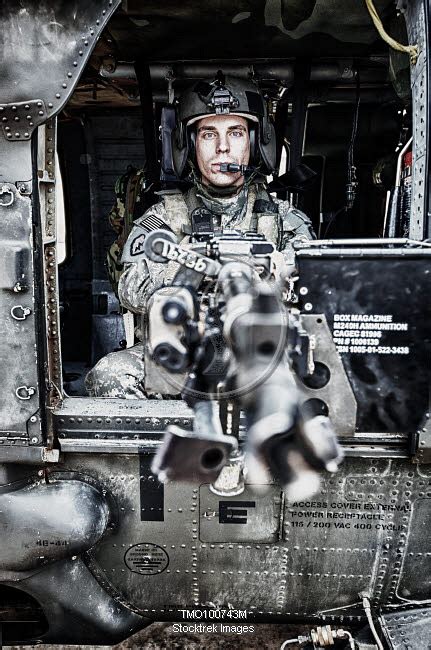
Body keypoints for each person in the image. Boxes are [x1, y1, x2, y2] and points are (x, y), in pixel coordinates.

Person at [85, 73, 315, 398]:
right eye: (209, 134)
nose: (223, 147)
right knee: (110, 375)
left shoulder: (285, 221)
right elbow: (128, 288)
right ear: (189, 145)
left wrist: (270, 277)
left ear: (255, 142)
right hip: (178, 351)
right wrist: (188, 271)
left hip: (260, 352)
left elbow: (313, 292)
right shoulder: (161, 219)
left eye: (235, 133)